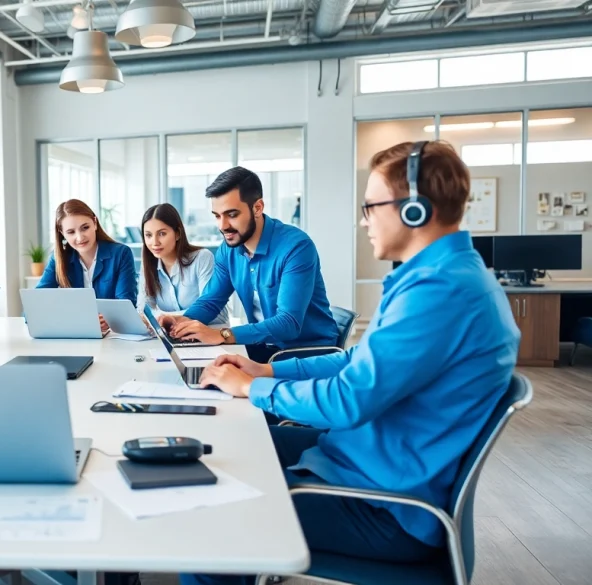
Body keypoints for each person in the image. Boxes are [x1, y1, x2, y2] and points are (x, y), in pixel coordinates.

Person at [184, 141, 520, 585]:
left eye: (371, 206)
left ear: (415, 209)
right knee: (224, 446)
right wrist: (267, 371)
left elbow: (347, 402)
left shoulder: (440, 291)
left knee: (203, 527)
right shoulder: (432, 276)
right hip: (354, 462)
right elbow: (356, 360)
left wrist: (252, 390)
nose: (364, 220)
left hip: (383, 504)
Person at [160, 167, 338, 363]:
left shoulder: (296, 247)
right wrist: (183, 322)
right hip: (263, 347)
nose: (222, 226)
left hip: (305, 354)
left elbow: (288, 323)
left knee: (215, 374)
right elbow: (211, 300)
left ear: (257, 208)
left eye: (232, 214)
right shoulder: (228, 250)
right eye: (217, 216)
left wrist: (223, 335)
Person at [36, 199, 137, 333]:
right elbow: (34, 307)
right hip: (75, 334)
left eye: (85, 228)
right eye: (71, 232)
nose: (80, 237)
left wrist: (109, 318)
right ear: (62, 233)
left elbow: (126, 305)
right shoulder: (58, 259)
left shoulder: (121, 254)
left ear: (94, 223)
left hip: (113, 336)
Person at [137, 203, 228, 326]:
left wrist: (166, 318)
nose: (155, 242)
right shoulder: (148, 266)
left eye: (162, 234)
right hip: (173, 337)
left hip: (209, 337)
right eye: (148, 235)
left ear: (178, 234)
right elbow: (143, 311)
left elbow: (218, 314)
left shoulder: (201, 258)